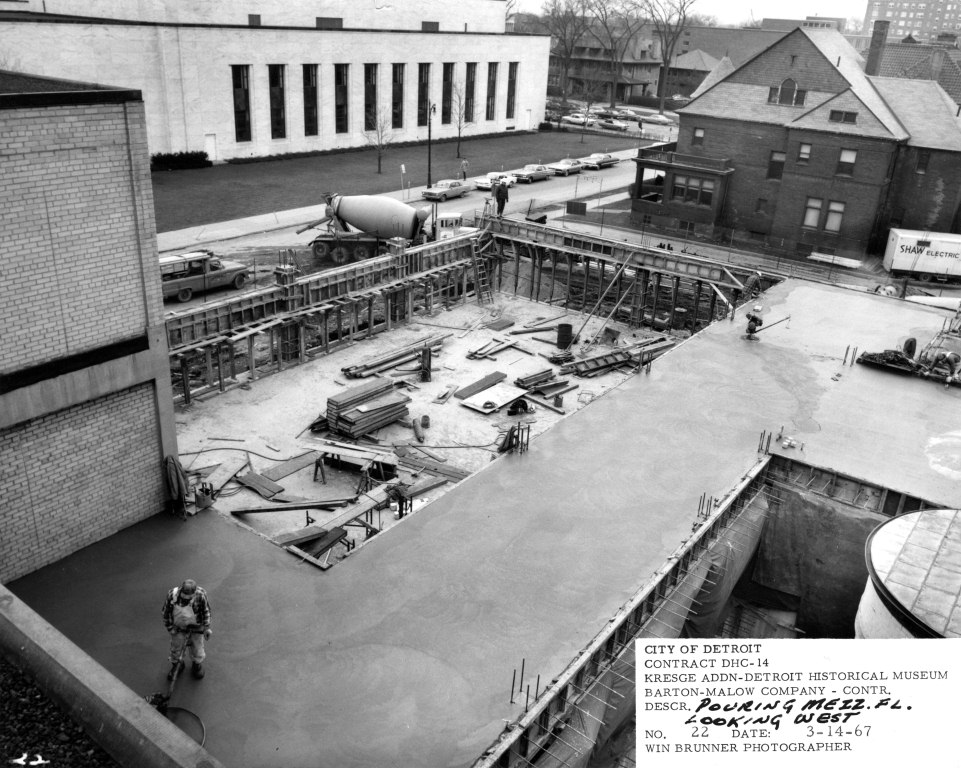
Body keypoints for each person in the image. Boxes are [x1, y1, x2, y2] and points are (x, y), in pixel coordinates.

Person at [162, 579, 212, 680]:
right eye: (184, 595)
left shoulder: (200, 595)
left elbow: (206, 612)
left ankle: (196, 665)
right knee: (176, 649)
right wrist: (170, 628)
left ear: (194, 593)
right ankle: (177, 665)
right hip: (178, 628)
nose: (185, 598)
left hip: (196, 627)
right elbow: (165, 613)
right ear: (181, 589)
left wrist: (207, 628)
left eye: (188, 596)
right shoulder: (172, 595)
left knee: (197, 649)